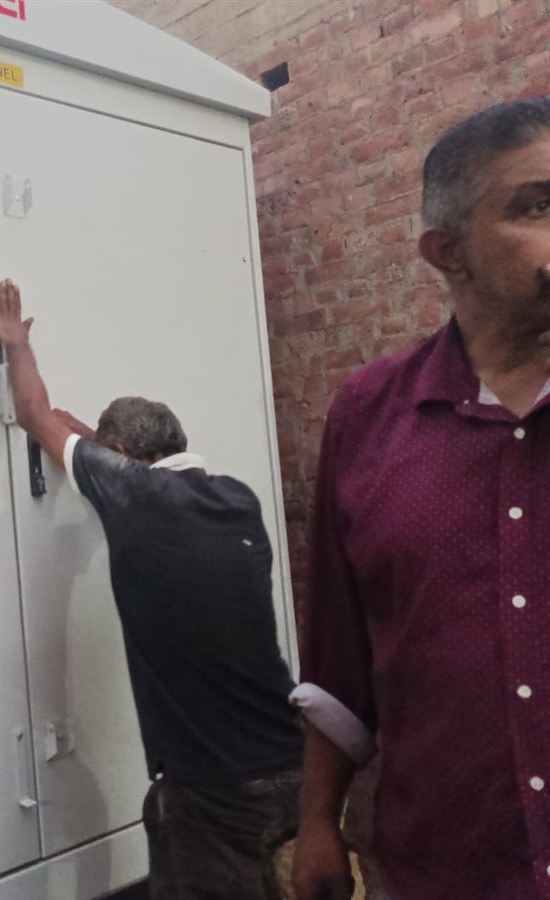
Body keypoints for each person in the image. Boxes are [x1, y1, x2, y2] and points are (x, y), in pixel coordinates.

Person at [290, 97, 550, 900]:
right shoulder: (369, 416)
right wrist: (318, 822)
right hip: (448, 868)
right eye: (537, 206)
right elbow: (339, 653)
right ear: (449, 252)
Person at [0, 280, 304, 900]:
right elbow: (102, 454)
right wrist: (89, 442)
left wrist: (15, 344)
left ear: (121, 455)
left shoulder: (134, 497)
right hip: (291, 766)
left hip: (215, 792)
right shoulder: (236, 499)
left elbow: (33, 415)